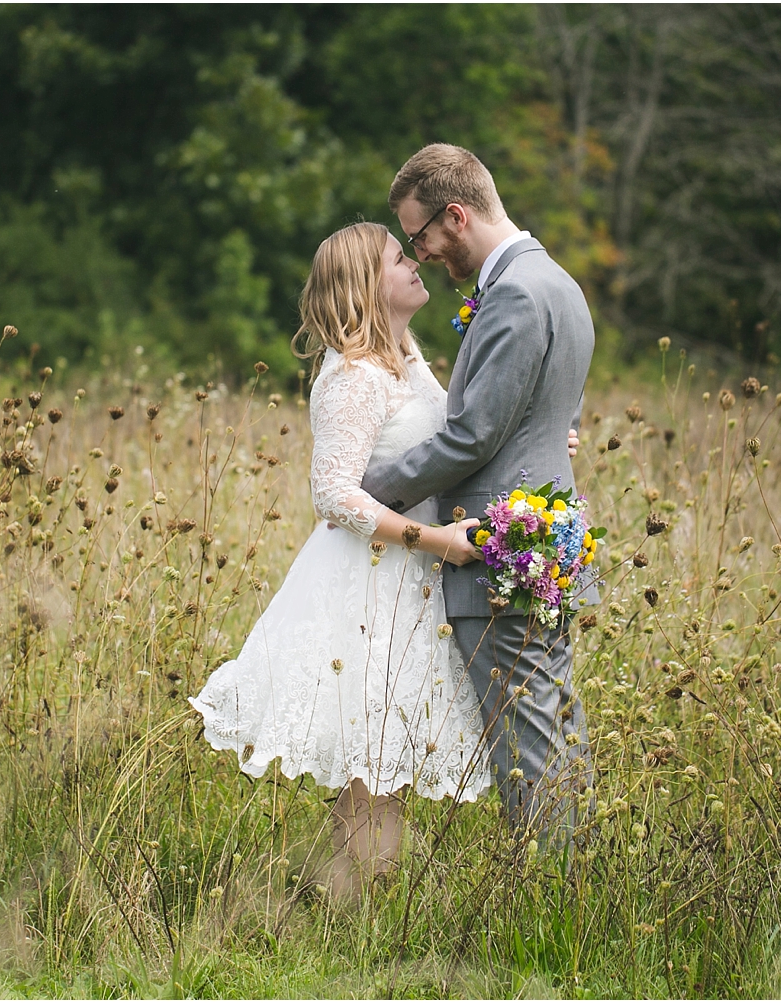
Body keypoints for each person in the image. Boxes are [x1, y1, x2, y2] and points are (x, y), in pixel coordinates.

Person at [189, 221, 581, 900]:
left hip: (410, 584)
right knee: (372, 762)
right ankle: (348, 919)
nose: (416, 262)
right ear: (367, 284)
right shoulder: (352, 376)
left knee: (386, 763)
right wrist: (437, 542)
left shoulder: (406, 359)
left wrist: (541, 438)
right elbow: (334, 494)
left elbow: (460, 439)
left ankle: (350, 915)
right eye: (400, 258)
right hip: (371, 586)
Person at [361, 143, 600, 851]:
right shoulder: (557, 282)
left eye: (422, 234)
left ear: (456, 215)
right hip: (545, 537)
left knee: (527, 744)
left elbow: (472, 438)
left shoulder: (516, 295)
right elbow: (555, 417)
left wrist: (364, 493)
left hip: (500, 551)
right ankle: (582, 883)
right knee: (554, 725)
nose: (423, 252)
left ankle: (557, 902)